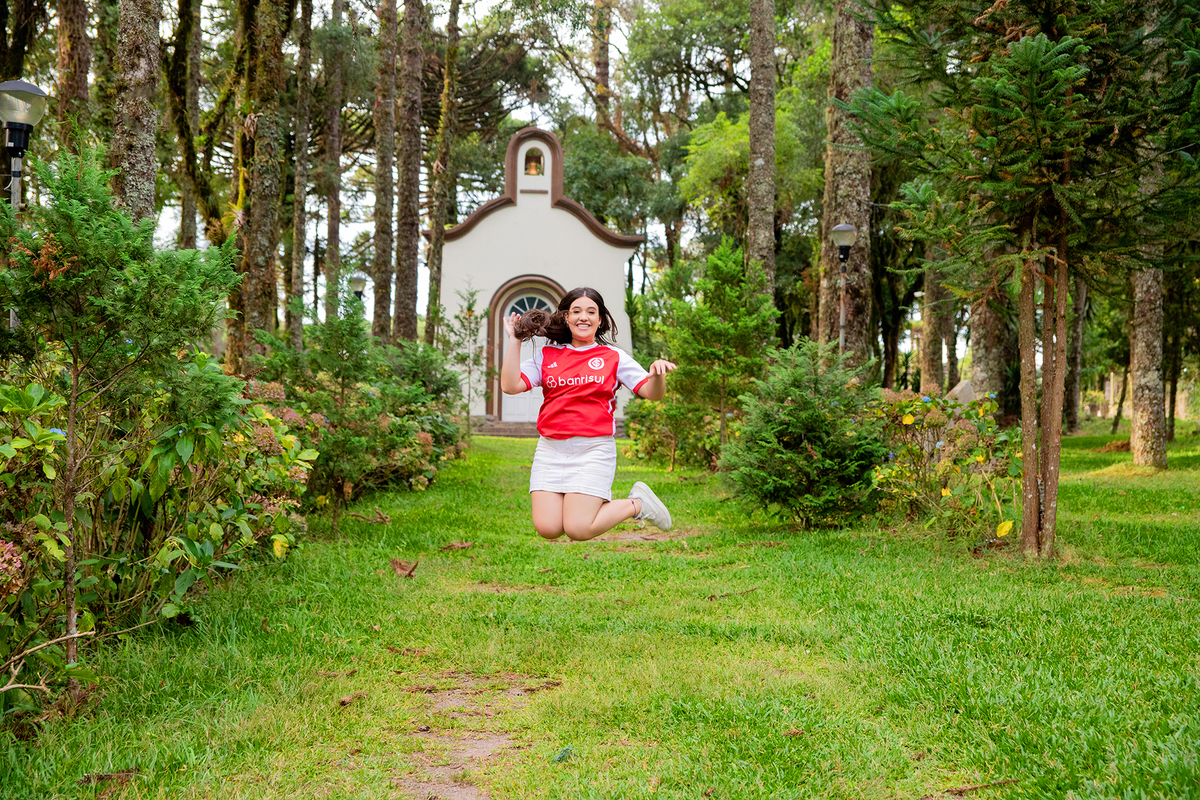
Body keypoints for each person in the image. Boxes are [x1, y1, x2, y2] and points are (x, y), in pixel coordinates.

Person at [500, 287, 676, 541]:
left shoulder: (613, 357)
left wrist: (657, 376)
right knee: (547, 528)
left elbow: (652, 393)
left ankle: (636, 504)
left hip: (593, 450)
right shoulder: (548, 356)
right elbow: (510, 385)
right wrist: (514, 341)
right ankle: (634, 504)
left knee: (578, 528)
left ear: (600, 319)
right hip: (550, 450)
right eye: (577, 311)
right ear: (566, 318)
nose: (584, 316)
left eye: (591, 311)